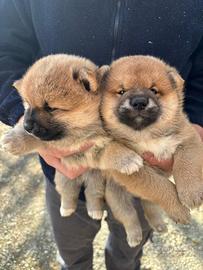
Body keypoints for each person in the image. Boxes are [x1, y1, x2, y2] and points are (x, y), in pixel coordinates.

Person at [0, 1, 202, 269]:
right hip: (68, 168)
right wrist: (22, 116)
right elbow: (5, 47)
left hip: (148, 171)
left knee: (128, 251)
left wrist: (196, 121)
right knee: (71, 251)